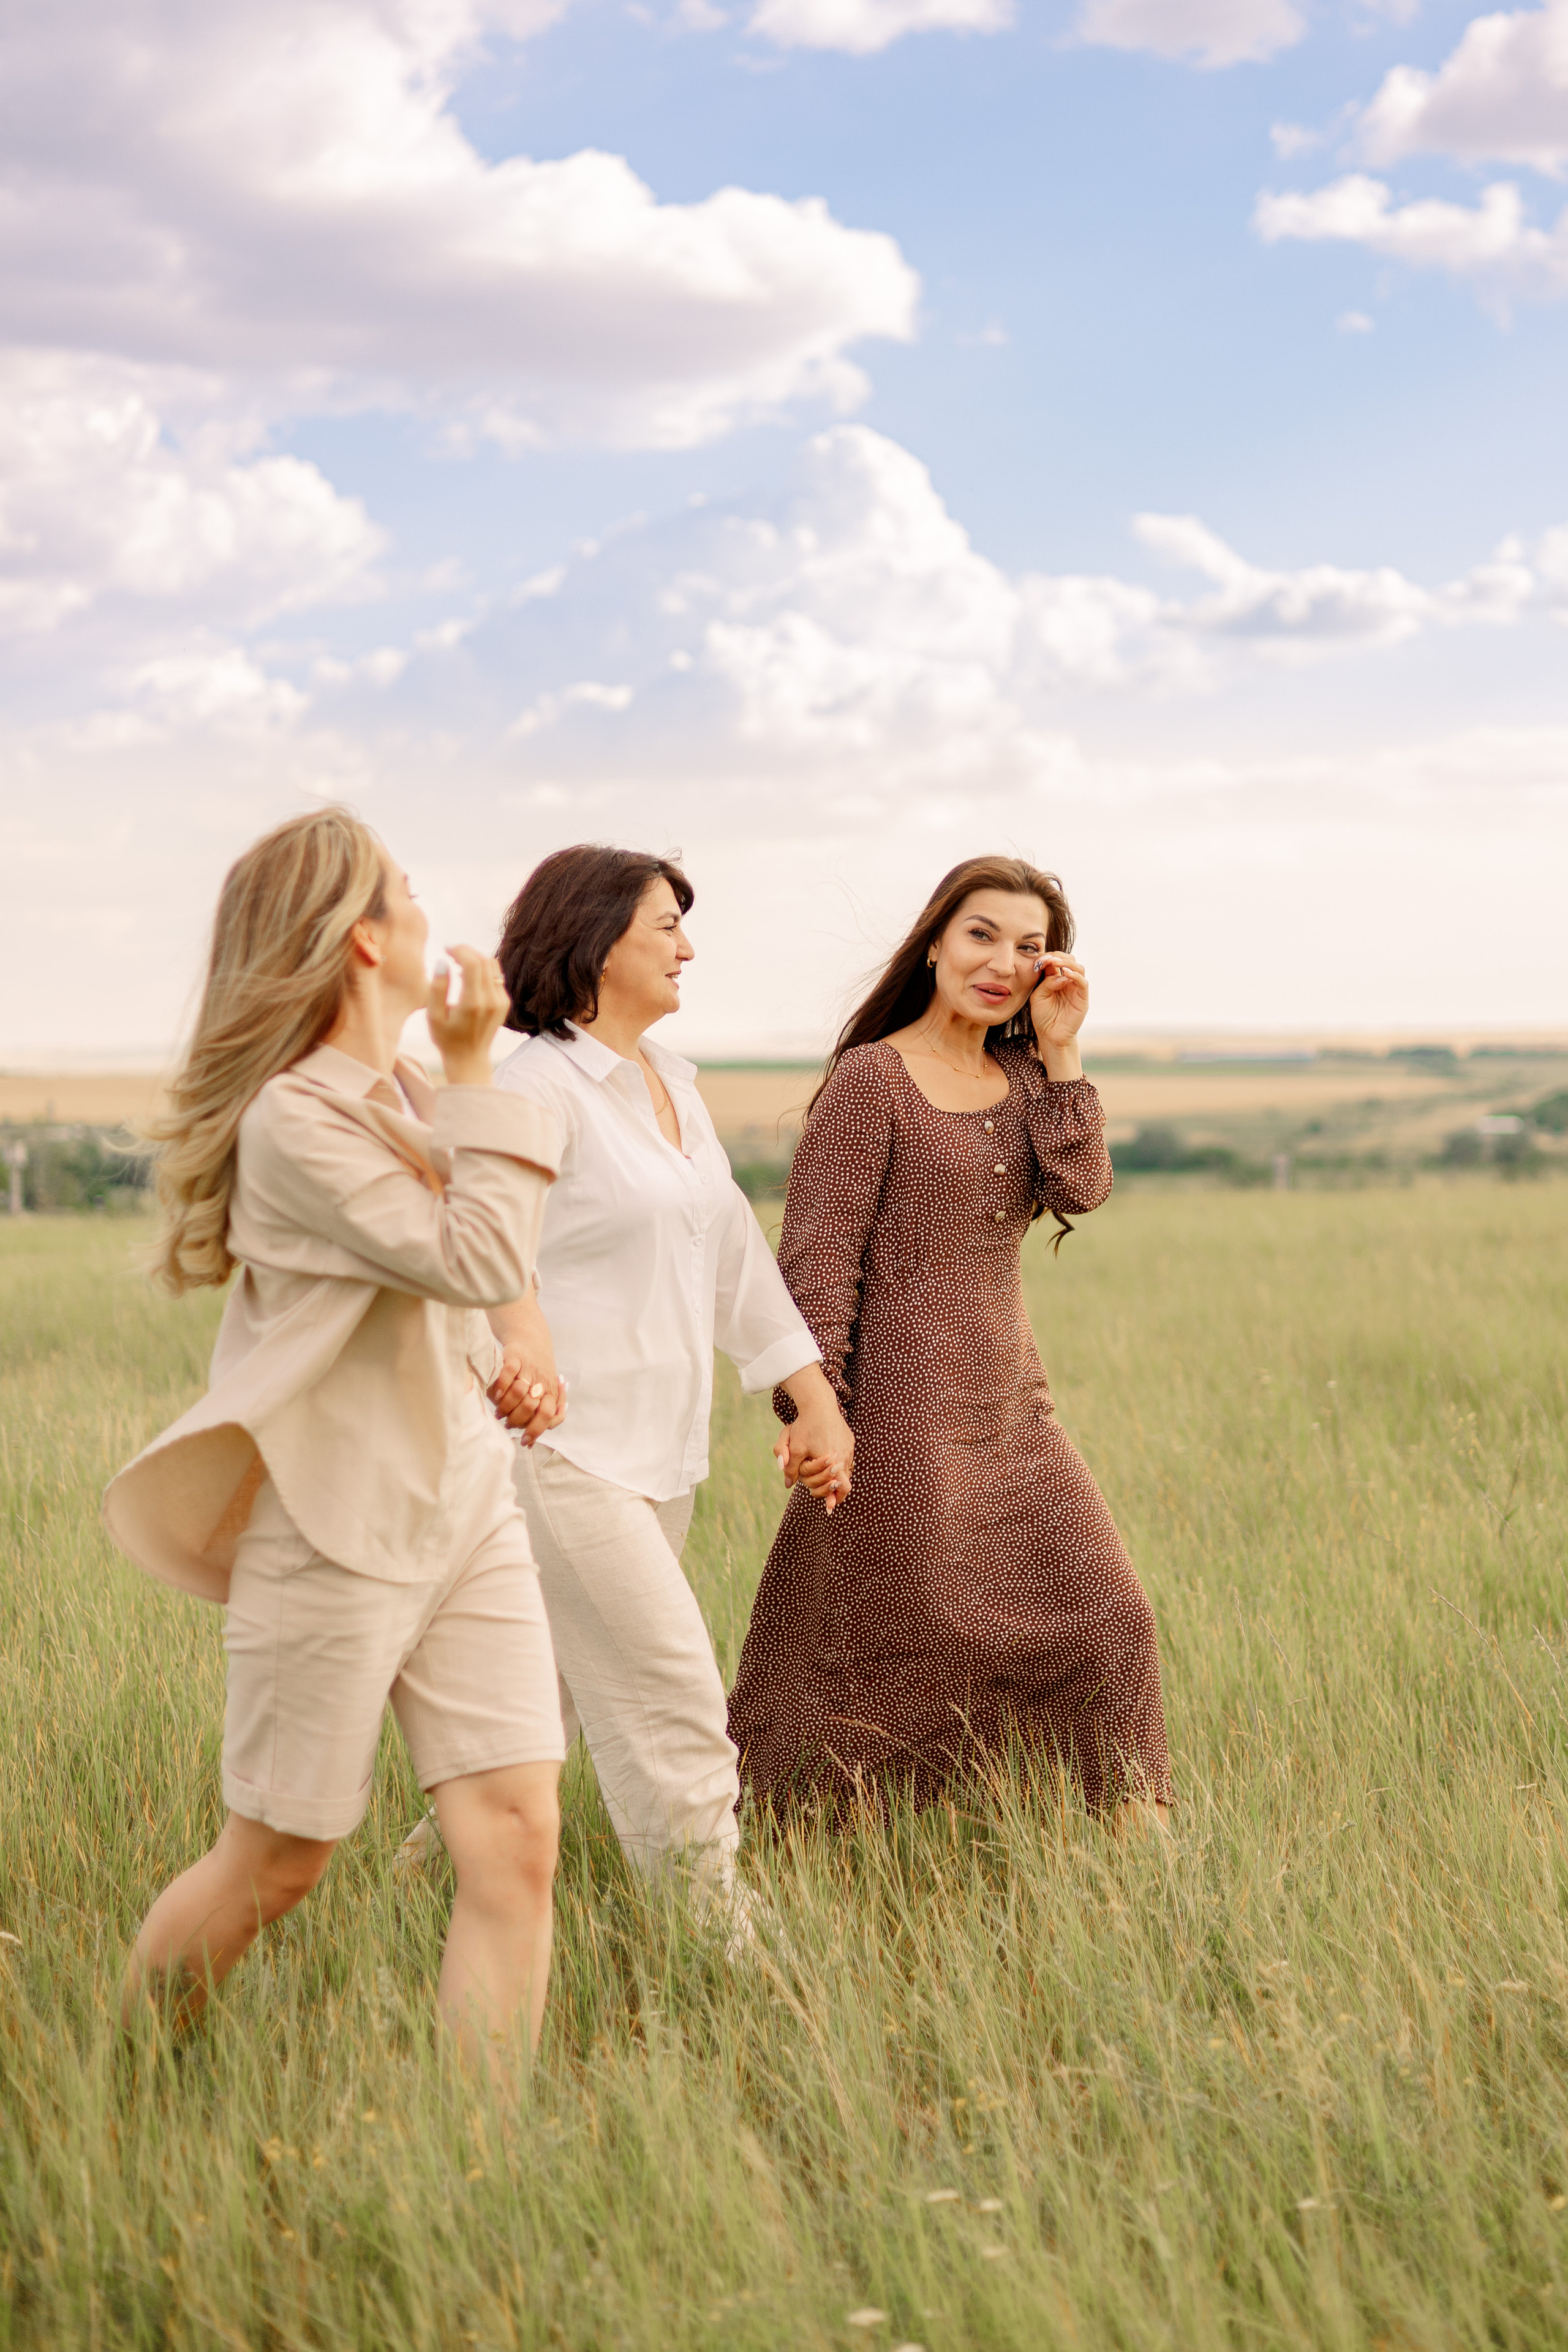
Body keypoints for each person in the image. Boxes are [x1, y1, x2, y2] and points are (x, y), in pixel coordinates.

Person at [104, 807, 568, 2073]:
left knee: (518, 1835)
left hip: (465, 1504)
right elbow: (474, 1241)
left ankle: (478, 2169)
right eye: (407, 895)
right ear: (362, 942)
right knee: (278, 1864)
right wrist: (478, 1080)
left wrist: (519, 1347)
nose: (430, 916)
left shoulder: (405, 1093)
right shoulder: (295, 1122)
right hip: (334, 1522)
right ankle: (121, 2095)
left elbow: (489, 1271)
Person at [726, 854, 1172, 1825]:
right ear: (933, 941)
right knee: (912, 1644)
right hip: (896, 1415)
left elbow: (1081, 1190)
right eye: (981, 935)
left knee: (1113, 1618)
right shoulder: (872, 1079)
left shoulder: (1024, 1077)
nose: (1002, 963)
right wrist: (816, 1410)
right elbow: (817, 1257)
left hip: (1014, 1413)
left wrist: (1062, 1055)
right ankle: (827, 1834)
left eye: (1029, 947)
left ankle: (1144, 1859)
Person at [477, 844, 854, 1923]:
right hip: (564, 1457)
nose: (688, 946)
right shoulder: (535, 1090)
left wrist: (813, 1399)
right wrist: (520, 1347)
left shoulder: (670, 1088)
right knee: (676, 1702)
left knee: (529, 1726)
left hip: (660, 1455)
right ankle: (727, 1949)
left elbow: (732, 1258)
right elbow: (484, 1252)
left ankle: (414, 1895)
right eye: (664, 926)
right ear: (594, 940)